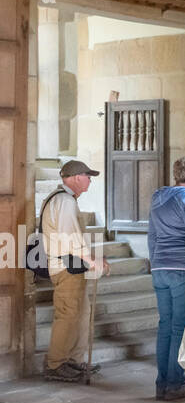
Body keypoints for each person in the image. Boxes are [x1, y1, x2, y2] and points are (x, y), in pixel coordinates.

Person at [41, 160, 110, 381]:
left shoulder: (65, 200)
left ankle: (73, 360)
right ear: (77, 177)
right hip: (65, 266)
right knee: (68, 315)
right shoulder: (64, 201)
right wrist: (90, 259)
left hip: (72, 265)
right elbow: (69, 237)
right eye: (88, 176)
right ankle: (56, 364)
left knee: (80, 314)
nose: (90, 180)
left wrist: (91, 259)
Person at [147, 154, 185, 401]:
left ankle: (162, 383)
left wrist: (155, 263)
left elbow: (152, 234)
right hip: (182, 269)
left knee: (165, 326)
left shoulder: (158, 197)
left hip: (160, 268)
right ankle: (174, 384)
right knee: (178, 328)